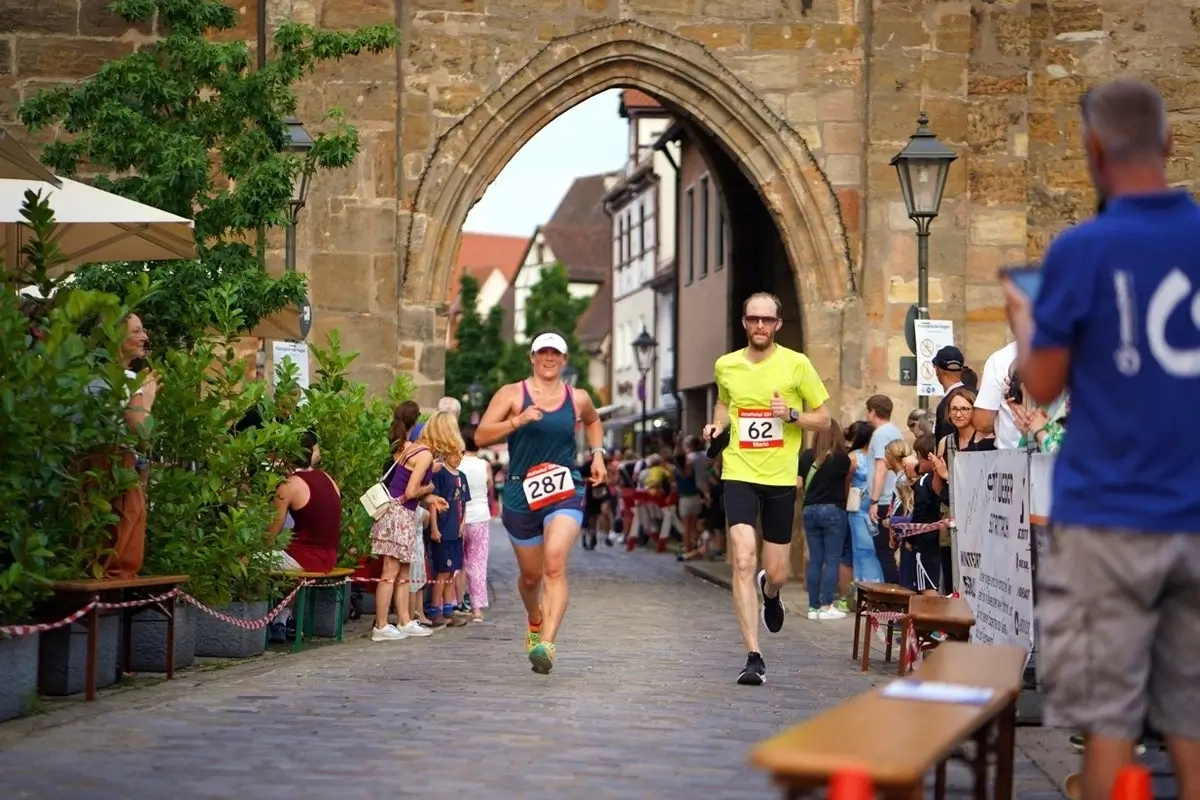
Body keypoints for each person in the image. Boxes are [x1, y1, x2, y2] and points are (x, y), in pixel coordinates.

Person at [1004, 78, 1200, 800]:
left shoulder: (1083, 250)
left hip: (1107, 511)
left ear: (1092, 150)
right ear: (1168, 142)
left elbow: (1042, 383)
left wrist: (1024, 319)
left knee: (1109, 715)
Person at [702, 292, 831, 686]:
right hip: (739, 470)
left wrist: (791, 414)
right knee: (742, 558)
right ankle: (753, 656)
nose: (760, 325)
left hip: (779, 477)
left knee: (777, 571)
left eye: (767, 320)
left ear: (777, 324)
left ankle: (771, 593)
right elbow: (724, 404)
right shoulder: (726, 365)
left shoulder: (797, 364)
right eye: (753, 319)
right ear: (744, 322)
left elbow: (824, 420)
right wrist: (717, 426)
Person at [474, 331, 607, 674]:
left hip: (564, 488)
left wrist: (598, 454)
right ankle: (535, 618)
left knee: (554, 564)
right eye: (543, 352)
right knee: (532, 577)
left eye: (555, 353)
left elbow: (593, 421)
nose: (549, 358)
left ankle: (546, 645)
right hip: (521, 493)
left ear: (564, 360)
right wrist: (517, 421)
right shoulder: (511, 394)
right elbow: (480, 435)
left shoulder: (577, 397)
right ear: (532, 357)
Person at [370, 401, 442, 642]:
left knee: (402, 571)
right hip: (398, 514)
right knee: (390, 572)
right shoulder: (417, 451)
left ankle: (404, 620)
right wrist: (429, 488)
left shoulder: (399, 447)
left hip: (399, 513)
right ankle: (381, 625)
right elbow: (411, 491)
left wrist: (432, 496)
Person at [265, 430, 344, 642]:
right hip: (328, 557)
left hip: (305, 559)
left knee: (251, 559)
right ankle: (282, 619)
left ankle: (260, 622)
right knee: (288, 562)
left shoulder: (289, 485)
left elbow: (271, 533)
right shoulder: (328, 479)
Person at [797, 418, 851, 620]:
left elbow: (798, 484)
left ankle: (813, 607)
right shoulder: (842, 458)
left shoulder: (806, 456)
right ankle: (827, 605)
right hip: (833, 510)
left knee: (815, 560)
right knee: (832, 559)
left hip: (810, 510)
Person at [425, 412, 469, 627]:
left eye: (461, 452)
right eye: (454, 452)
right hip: (443, 529)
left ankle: (449, 608)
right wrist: (434, 528)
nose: (458, 456)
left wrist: (462, 524)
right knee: (442, 571)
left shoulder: (462, 477)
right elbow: (433, 502)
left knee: (452, 571)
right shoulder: (440, 474)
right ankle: (435, 609)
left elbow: (464, 503)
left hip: (455, 531)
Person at [459, 425, 494, 623]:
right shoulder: (484, 465)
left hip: (459, 517)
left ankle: (456, 602)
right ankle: (477, 608)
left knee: (458, 563)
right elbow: (489, 486)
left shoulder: (457, 463)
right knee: (478, 563)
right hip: (480, 515)